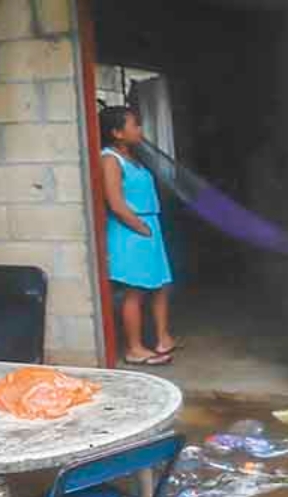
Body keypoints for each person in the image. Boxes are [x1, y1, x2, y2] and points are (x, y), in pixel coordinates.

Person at [99, 105, 180, 365]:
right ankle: (134, 348)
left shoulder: (133, 157)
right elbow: (115, 203)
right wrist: (140, 227)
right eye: (134, 124)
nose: (139, 129)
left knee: (160, 285)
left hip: (147, 226)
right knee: (135, 291)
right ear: (117, 132)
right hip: (130, 230)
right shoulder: (110, 159)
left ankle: (162, 338)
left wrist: (149, 227)